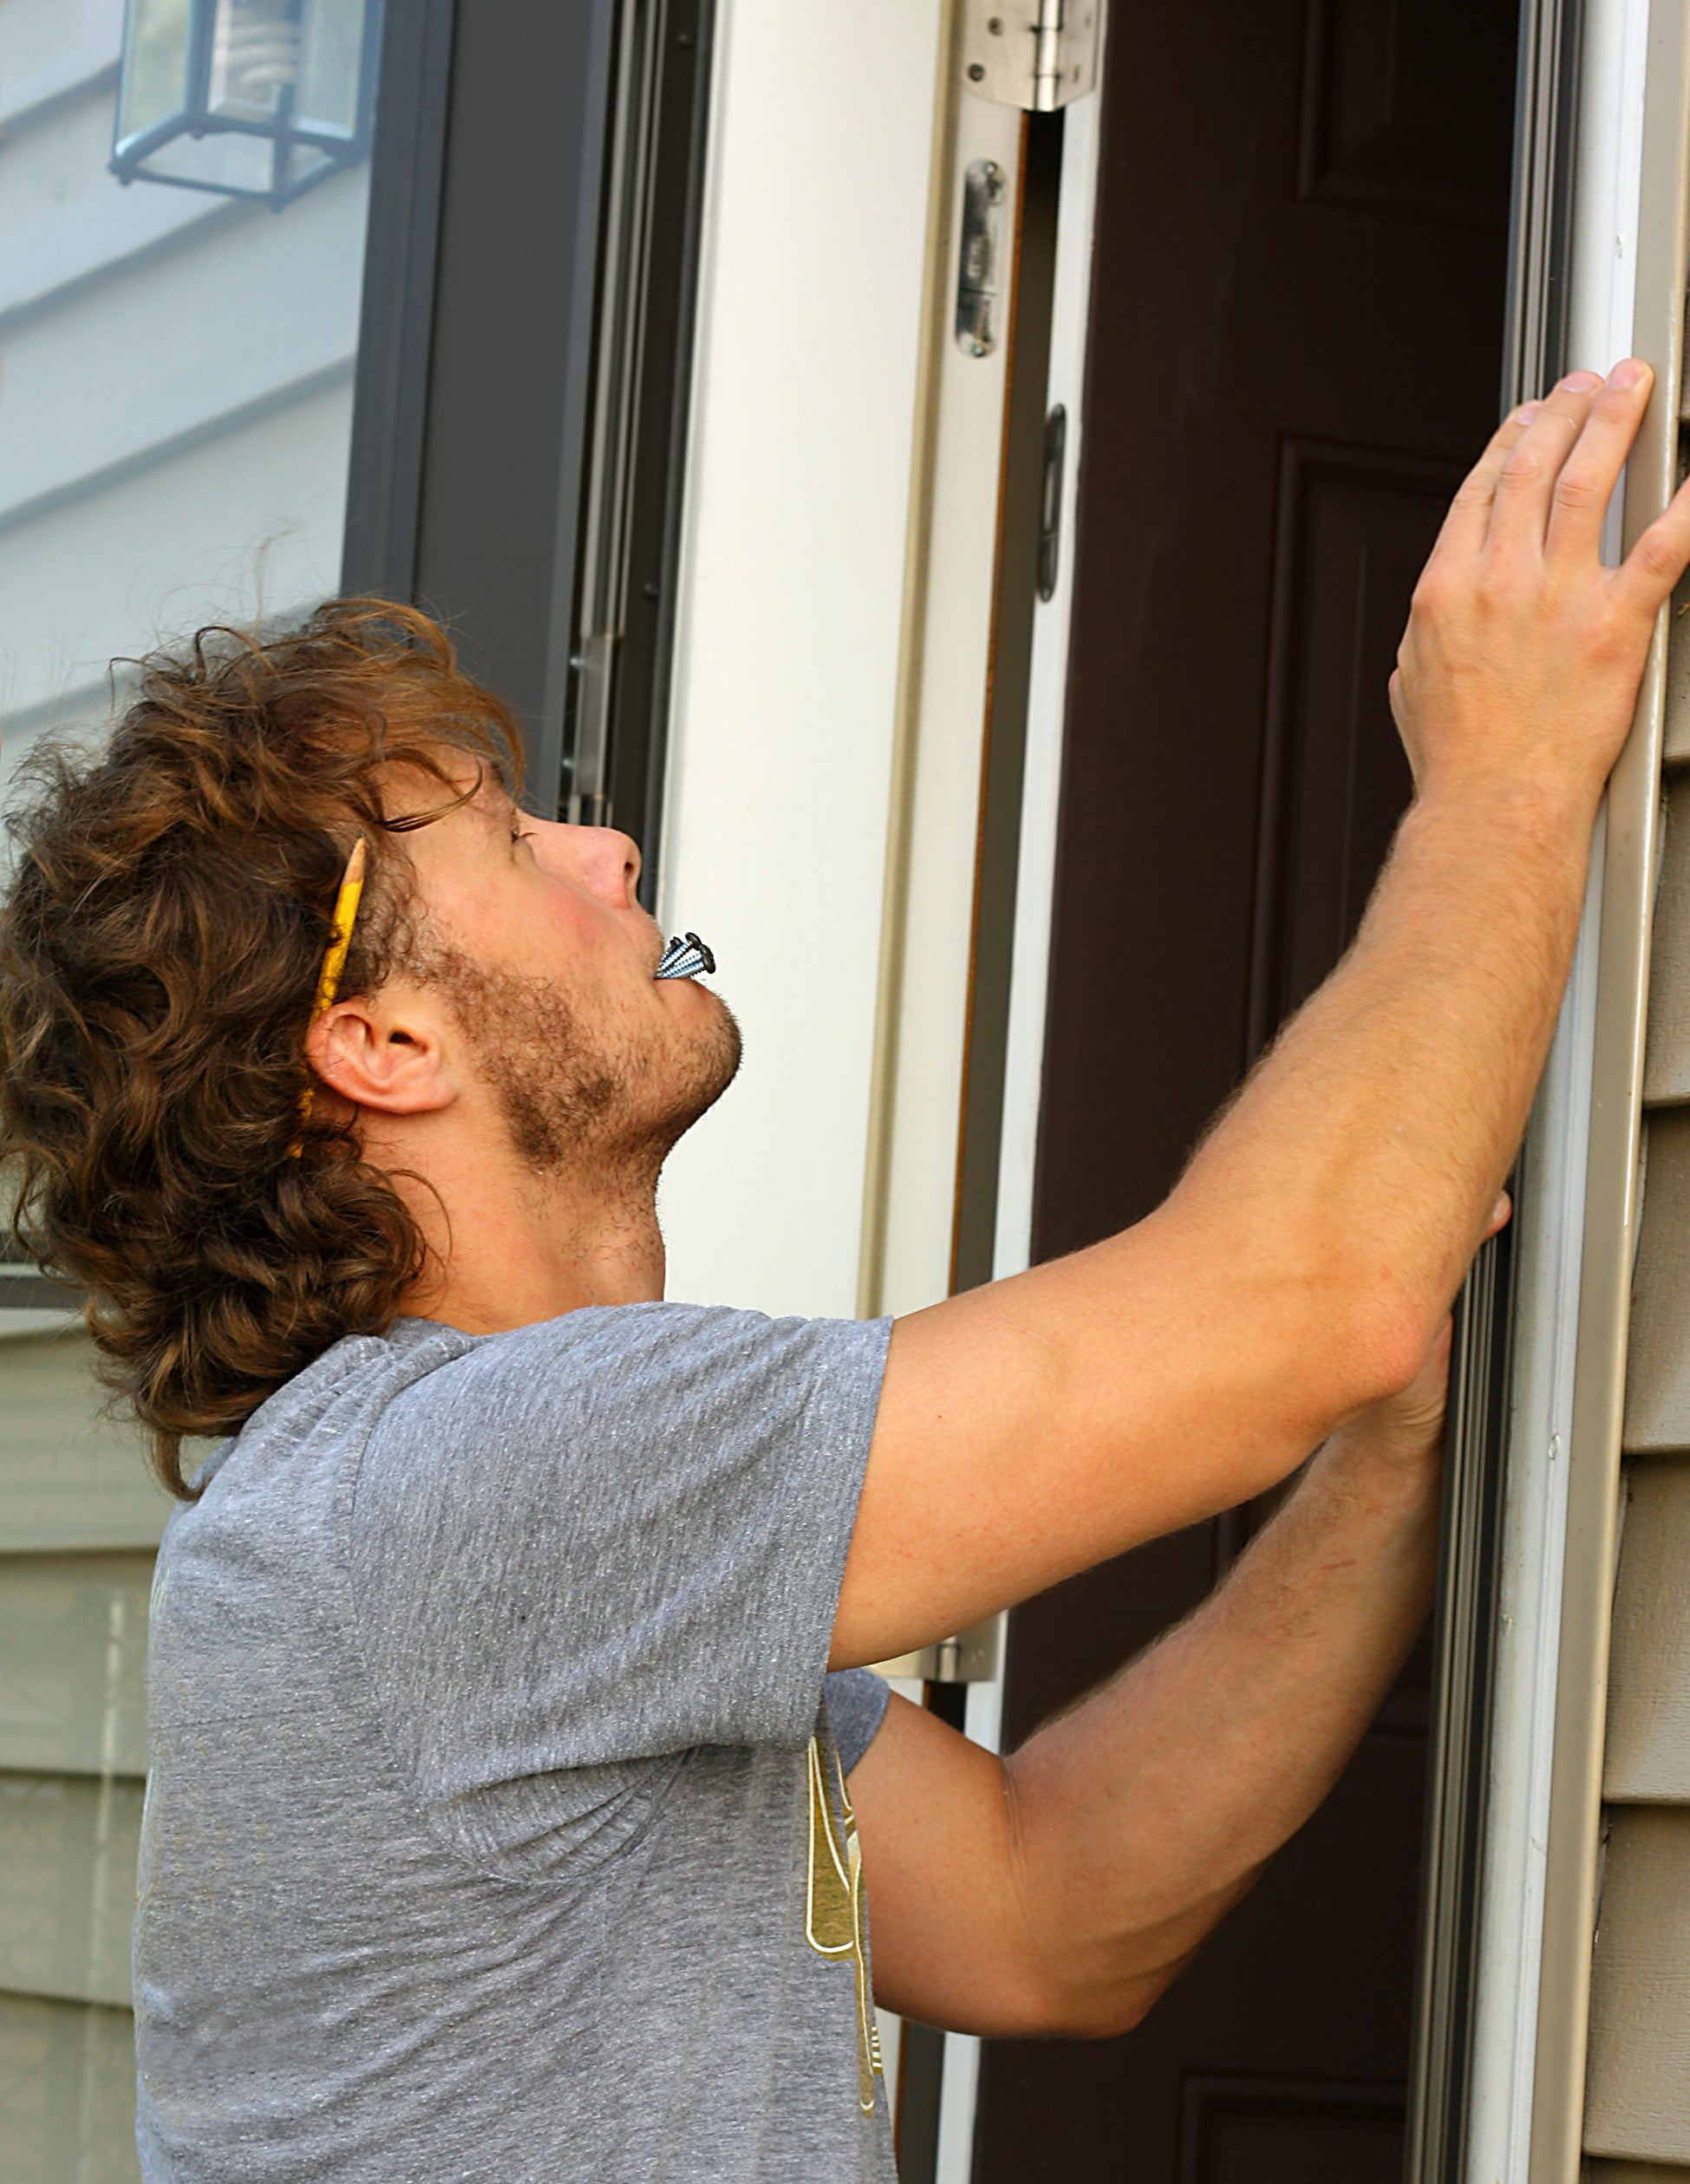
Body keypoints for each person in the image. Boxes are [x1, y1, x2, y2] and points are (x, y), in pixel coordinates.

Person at [0, 366, 1681, 2183]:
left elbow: (1057, 1907)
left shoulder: (500, 1557)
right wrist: (1504, 779)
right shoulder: (467, 1490)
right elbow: (1305, 1295)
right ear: (384, 1045)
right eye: (509, 837)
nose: (608, 847)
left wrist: (1382, 1463)